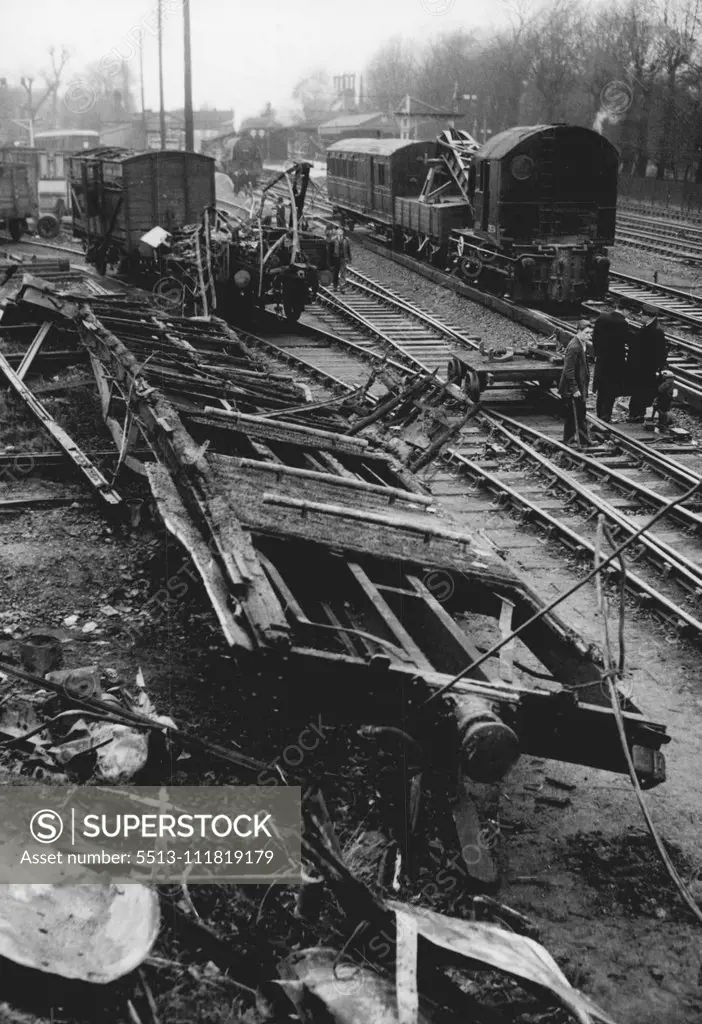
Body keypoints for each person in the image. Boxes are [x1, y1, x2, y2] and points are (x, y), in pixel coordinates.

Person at [592, 306, 629, 422]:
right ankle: (606, 415)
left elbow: (594, 338)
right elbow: (625, 340)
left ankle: (599, 413)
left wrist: (597, 353)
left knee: (601, 389)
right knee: (611, 390)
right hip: (615, 363)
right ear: (625, 310)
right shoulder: (622, 323)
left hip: (602, 360)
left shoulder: (602, 317)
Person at [627, 316, 667, 422]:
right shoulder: (649, 327)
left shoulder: (656, 331)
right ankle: (636, 414)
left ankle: (637, 415)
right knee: (640, 391)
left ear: (649, 316)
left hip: (646, 367)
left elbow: (661, 351)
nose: (640, 315)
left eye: (642, 314)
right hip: (642, 367)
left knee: (641, 391)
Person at [558, 321, 592, 447]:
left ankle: (582, 440)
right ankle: (571, 440)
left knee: (580, 413)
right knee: (573, 415)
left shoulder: (581, 344)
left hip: (579, 387)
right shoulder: (574, 347)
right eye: (586, 333)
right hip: (572, 388)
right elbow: (568, 370)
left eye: (590, 333)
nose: (589, 336)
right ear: (578, 331)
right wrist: (574, 389)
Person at [331, 226, 351, 293]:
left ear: (343, 233)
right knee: (335, 273)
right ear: (337, 233)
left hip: (343, 258)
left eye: (341, 233)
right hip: (335, 259)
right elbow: (330, 251)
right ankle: (335, 286)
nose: (340, 234)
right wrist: (330, 260)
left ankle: (342, 288)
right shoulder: (333, 240)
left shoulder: (346, 240)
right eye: (339, 233)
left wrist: (349, 258)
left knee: (343, 273)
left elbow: (348, 250)